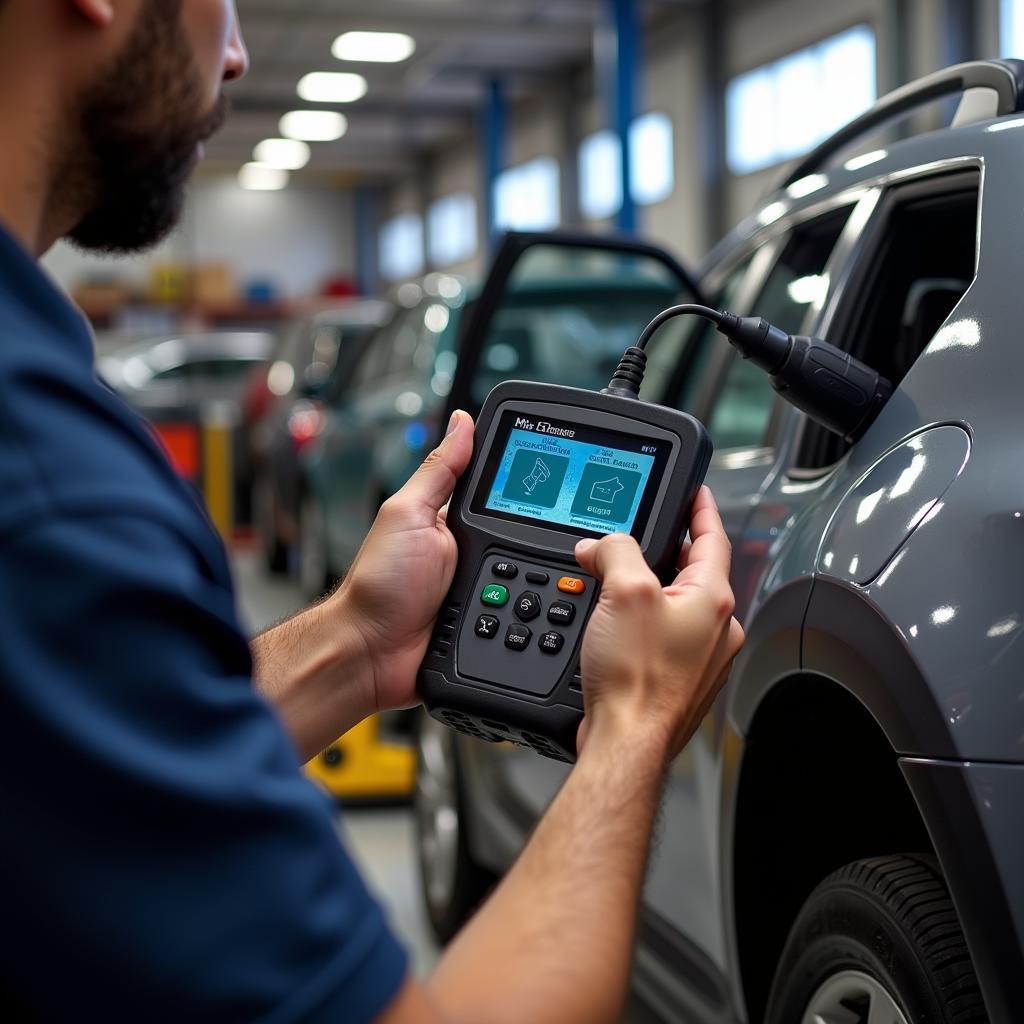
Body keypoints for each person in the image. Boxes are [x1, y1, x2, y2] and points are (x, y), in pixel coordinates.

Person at [0, 1, 744, 1021]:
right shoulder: (48, 489)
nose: (235, 53)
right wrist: (631, 728)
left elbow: (79, 786)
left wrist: (356, 643)